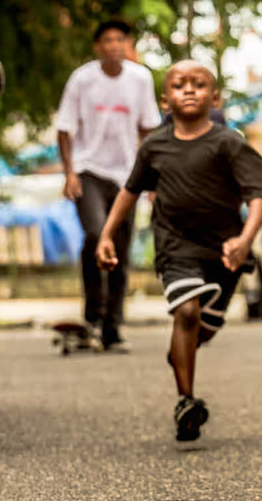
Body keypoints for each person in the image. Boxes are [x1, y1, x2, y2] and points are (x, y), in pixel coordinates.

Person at [95, 60, 262, 442]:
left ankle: (181, 353)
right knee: (187, 311)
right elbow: (129, 192)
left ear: (215, 98)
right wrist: (107, 235)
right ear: (166, 101)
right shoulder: (154, 146)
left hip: (225, 253)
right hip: (174, 247)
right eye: (180, 85)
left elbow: (260, 194)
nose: (190, 90)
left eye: (199, 84)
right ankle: (186, 401)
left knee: (202, 331)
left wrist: (245, 240)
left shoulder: (228, 143)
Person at [55, 19, 161, 351]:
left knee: (120, 248)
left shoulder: (140, 79)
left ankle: (112, 327)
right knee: (95, 235)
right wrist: (70, 173)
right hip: (88, 171)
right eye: (108, 40)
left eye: (120, 39)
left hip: (127, 176)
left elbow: (148, 130)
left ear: (128, 45)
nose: (114, 45)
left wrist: (151, 178)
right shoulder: (82, 79)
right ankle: (93, 317)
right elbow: (64, 128)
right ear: (98, 47)